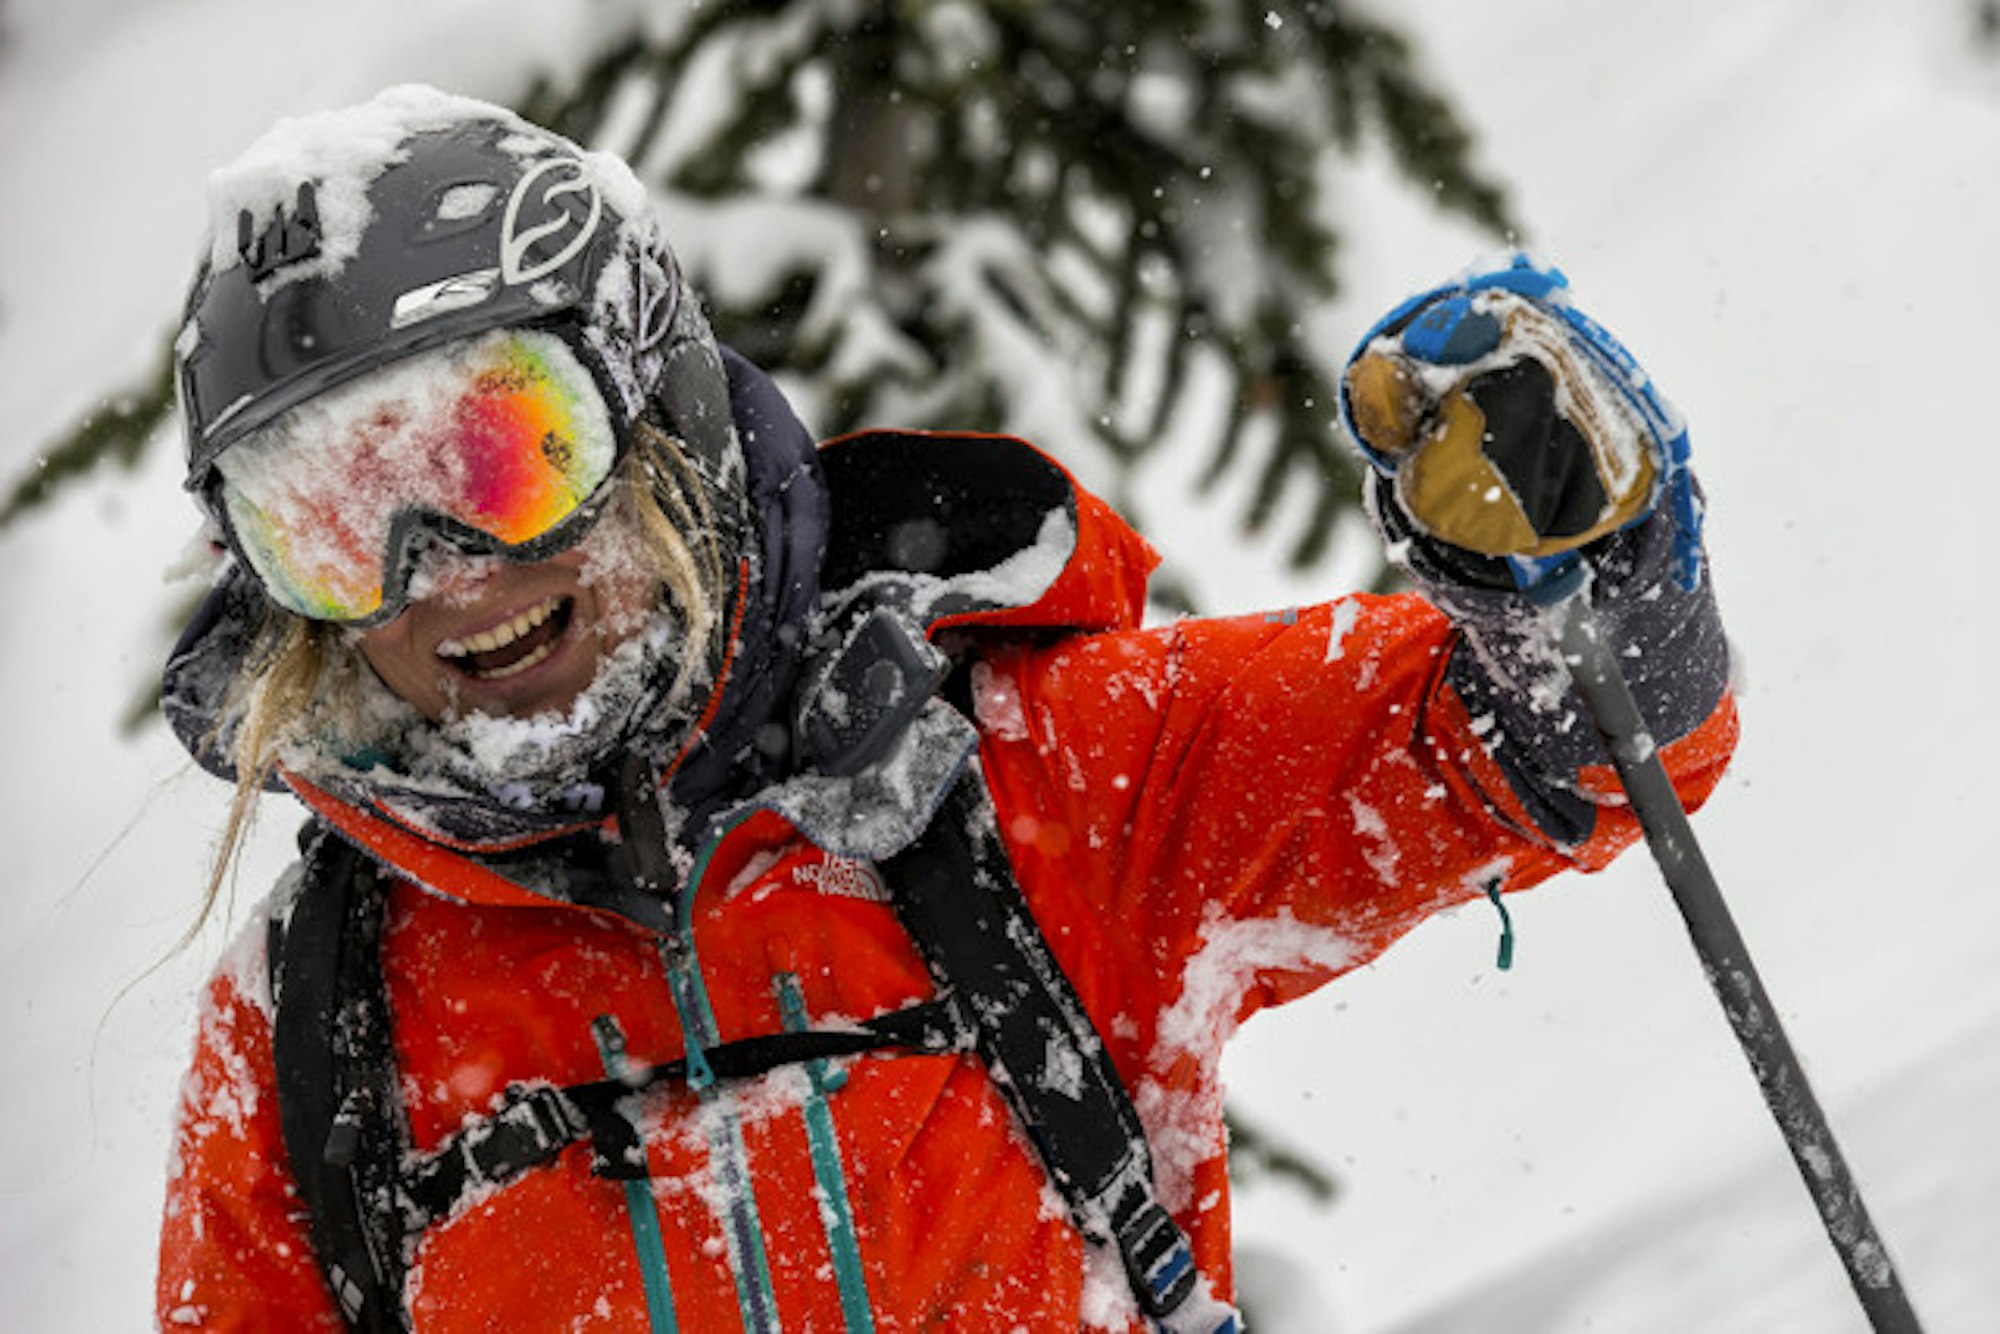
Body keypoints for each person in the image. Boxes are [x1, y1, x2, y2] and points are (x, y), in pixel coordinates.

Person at [155, 85, 1736, 1333]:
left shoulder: (1005, 774)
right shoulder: (316, 1024)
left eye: (507, 454)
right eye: (336, 518)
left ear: (655, 407)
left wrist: (1591, 587)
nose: (441, 573)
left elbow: (1563, 758)